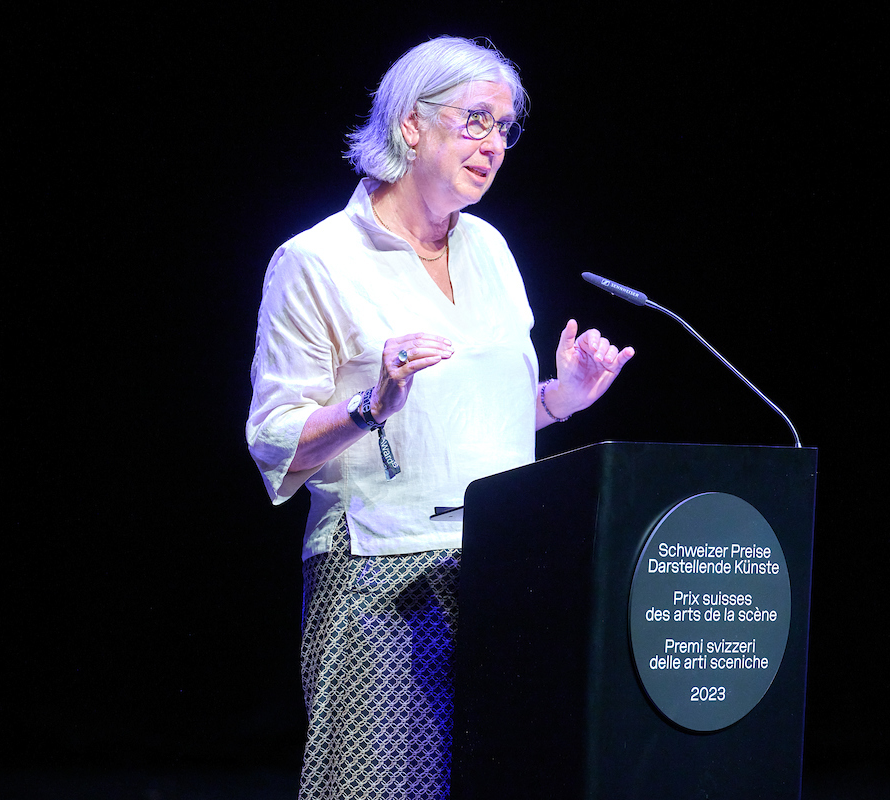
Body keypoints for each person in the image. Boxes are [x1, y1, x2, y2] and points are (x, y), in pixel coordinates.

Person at [246, 36, 635, 800]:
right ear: (411, 124)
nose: (494, 146)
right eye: (477, 120)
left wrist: (563, 396)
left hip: (508, 570)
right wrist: (373, 403)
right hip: (381, 579)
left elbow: (478, 420)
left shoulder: (490, 248)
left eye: (505, 128)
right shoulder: (317, 260)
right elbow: (274, 440)